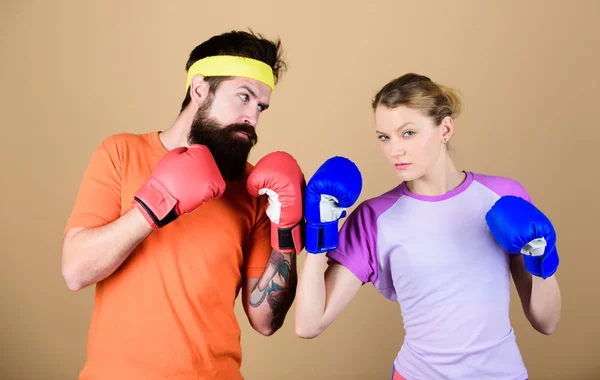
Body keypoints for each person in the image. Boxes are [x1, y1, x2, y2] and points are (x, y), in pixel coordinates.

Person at [61, 30, 305, 380]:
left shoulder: (255, 188)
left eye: (261, 106)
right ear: (200, 88)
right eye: (244, 96)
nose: (253, 116)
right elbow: (75, 271)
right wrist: (154, 205)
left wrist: (286, 232)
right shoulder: (120, 153)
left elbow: (265, 320)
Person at [295, 73, 562, 380]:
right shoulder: (375, 218)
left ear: (445, 129)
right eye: (384, 137)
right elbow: (308, 325)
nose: (394, 149)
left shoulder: (503, 198)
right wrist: (319, 232)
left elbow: (547, 322)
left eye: (407, 133)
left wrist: (543, 258)